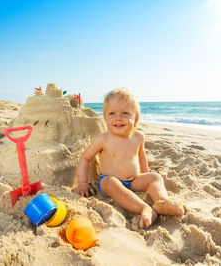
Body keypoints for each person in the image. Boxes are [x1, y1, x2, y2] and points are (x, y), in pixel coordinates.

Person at [76, 88, 185, 228]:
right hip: (109, 181)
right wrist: (82, 183)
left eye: (125, 113)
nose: (118, 117)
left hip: (133, 180)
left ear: (136, 118)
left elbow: (141, 156)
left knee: (155, 177)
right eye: (112, 113)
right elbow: (85, 158)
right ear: (105, 118)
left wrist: (145, 175)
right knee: (110, 182)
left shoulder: (138, 137)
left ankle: (161, 202)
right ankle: (144, 208)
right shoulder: (103, 139)